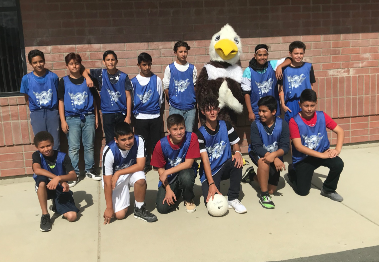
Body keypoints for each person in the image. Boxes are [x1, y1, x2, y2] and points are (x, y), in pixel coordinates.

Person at [288, 89, 344, 201]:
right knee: (302, 192)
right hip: (304, 159)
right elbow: (298, 146)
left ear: (316, 104)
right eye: (306, 105)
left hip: (321, 153)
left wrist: (337, 150)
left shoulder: (322, 116)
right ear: (300, 104)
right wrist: (322, 156)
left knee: (338, 164)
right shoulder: (294, 121)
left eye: (312, 105)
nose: (309, 109)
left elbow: (340, 131)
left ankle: (328, 189)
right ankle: (293, 172)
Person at [196, 96, 247, 213]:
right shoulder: (200, 134)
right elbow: (205, 161)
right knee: (210, 202)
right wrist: (211, 183)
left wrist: (238, 152)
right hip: (210, 171)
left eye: (214, 109)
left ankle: (233, 198)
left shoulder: (226, 125)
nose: (212, 112)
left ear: (218, 110)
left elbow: (235, 144)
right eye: (208, 110)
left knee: (237, 162)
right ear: (203, 112)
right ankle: (213, 185)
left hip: (225, 166)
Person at [58, 53, 100, 186]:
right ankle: (74, 173)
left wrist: (96, 117)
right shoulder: (63, 81)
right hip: (72, 118)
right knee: (74, 147)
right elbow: (61, 102)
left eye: (76, 63)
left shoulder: (88, 81)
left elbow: (94, 101)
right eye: (71, 64)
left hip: (88, 116)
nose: (74, 66)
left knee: (89, 146)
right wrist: (63, 120)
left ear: (80, 64)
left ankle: (90, 170)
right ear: (67, 66)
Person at [102, 122, 157, 224]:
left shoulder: (139, 140)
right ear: (116, 140)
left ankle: (139, 209)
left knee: (141, 179)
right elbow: (107, 182)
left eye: (130, 137)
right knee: (120, 215)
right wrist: (109, 208)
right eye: (123, 139)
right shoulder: (109, 151)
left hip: (130, 172)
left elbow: (140, 165)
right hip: (114, 180)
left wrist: (119, 173)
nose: (128, 142)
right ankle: (123, 192)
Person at [151, 114, 200, 214]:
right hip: (170, 178)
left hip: (185, 172)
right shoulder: (161, 144)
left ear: (185, 127)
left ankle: (188, 198)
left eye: (181, 128)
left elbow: (188, 164)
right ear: (168, 130)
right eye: (175, 129)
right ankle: (176, 190)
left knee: (186, 176)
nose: (179, 132)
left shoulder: (191, 137)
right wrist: (168, 189)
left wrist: (167, 172)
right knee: (162, 208)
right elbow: (161, 170)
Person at [247, 96, 290, 209]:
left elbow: (285, 147)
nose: (260, 114)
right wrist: (273, 157)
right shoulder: (255, 125)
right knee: (263, 162)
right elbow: (257, 147)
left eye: (264, 111)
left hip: (275, 155)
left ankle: (252, 176)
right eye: (259, 111)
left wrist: (275, 155)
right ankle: (264, 196)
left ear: (274, 112)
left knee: (272, 190)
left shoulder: (283, 124)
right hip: (259, 154)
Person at [82, 50, 133, 145]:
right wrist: (88, 78)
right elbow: (84, 70)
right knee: (110, 141)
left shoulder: (123, 76)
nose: (110, 62)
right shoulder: (101, 73)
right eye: (108, 60)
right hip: (107, 113)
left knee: (123, 140)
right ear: (104, 62)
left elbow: (128, 97)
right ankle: (112, 159)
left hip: (121, 112)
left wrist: (128, 116)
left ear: (116, 61)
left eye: (112, 59)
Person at [32, 131, 79, 232]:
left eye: (48, 145)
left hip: (59, 188)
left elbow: (73, 176)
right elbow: (37, 170)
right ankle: (45, 215)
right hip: (45, 188)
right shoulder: (37, 156)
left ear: (53, 143)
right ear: (37, 148)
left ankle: (57, 205)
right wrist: (56, 178)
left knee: (72, 217)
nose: (46, 149)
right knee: (41, 182)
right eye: (42, 147)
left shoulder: (63, 156)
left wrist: (59, 179)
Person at [20, 50, 60, 150]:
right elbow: (26, 97)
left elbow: (58, 95)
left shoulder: (53, 77)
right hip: (37, 113)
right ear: (30, 63)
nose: (38, 64)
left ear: (44, 61)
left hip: (52, 112)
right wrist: (34, 110)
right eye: (35, 62)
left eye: (41, 61)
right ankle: (44, 165)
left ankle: (56, 164)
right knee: (41, 143)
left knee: (55, 142)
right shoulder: (26, 79)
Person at [131, 52, 164, 173]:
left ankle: (156, 163)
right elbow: (131, 99)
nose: (147, 67)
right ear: (139, 65)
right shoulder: (133, 82)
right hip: (140, 117)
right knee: (141, 143)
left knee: (156, 141)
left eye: (149, 64)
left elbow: (160, 98)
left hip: (154, 115)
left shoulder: (157, 80)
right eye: (144, 65)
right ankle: (144, 165)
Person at [242, 44, 291, 121]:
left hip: (272, 109)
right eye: (260, 55)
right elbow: (246, 93)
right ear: (255, 56)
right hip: (257, 111)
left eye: (265, 55)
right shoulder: (248, 71)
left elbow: (289, 59)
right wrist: (250, 112)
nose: (262, 57)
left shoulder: (272, 65)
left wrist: (280, 66)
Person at [163, 41, 197, 132]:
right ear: (175, 53)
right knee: (175, 134)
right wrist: (173, 100)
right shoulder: (170, 68)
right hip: (175, 108)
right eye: (180, 52)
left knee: (188, 133)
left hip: (190, 108)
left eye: (185, 52)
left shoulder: (192, 68)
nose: (183, 54)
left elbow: (194, 86)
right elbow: (166, 87)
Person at [279, 41, 316, 123]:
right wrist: (283, 105)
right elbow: (281, 88)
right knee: (292, 128)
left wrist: (312, 101)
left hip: (305, 102)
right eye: (296, 53)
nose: (299, 56)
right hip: (290, 103)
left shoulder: (308, 67)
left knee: (305, 127)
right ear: (290, 53)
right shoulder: (284, 69)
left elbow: (311, 86)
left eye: (301, 53)